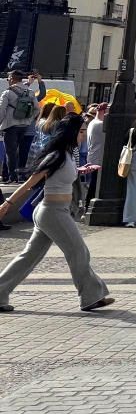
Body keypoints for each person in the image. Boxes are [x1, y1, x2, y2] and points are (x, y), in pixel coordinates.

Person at [0, 112, 113, 313]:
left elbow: (62, 176)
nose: (83, 136)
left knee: (29, 257)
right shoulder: (57, 155)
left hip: (54, 212)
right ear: (71, 132)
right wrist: (7, 203)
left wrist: (81, 170)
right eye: (81, 131)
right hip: (52, 213)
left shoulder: (67, 155)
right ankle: (91, 297)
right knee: (78, 251)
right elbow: (30, 183)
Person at [0, 70, 40, 184]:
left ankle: (12, 177)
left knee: (10, 153)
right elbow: (37, 109)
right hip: (24, 126)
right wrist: (28, 120)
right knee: (18, 152)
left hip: (10, 126)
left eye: (8, 78)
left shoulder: (7, 93)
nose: (8, 80)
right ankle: (15, 176)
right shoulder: (30, 92)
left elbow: (1, 110)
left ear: (12, 79)